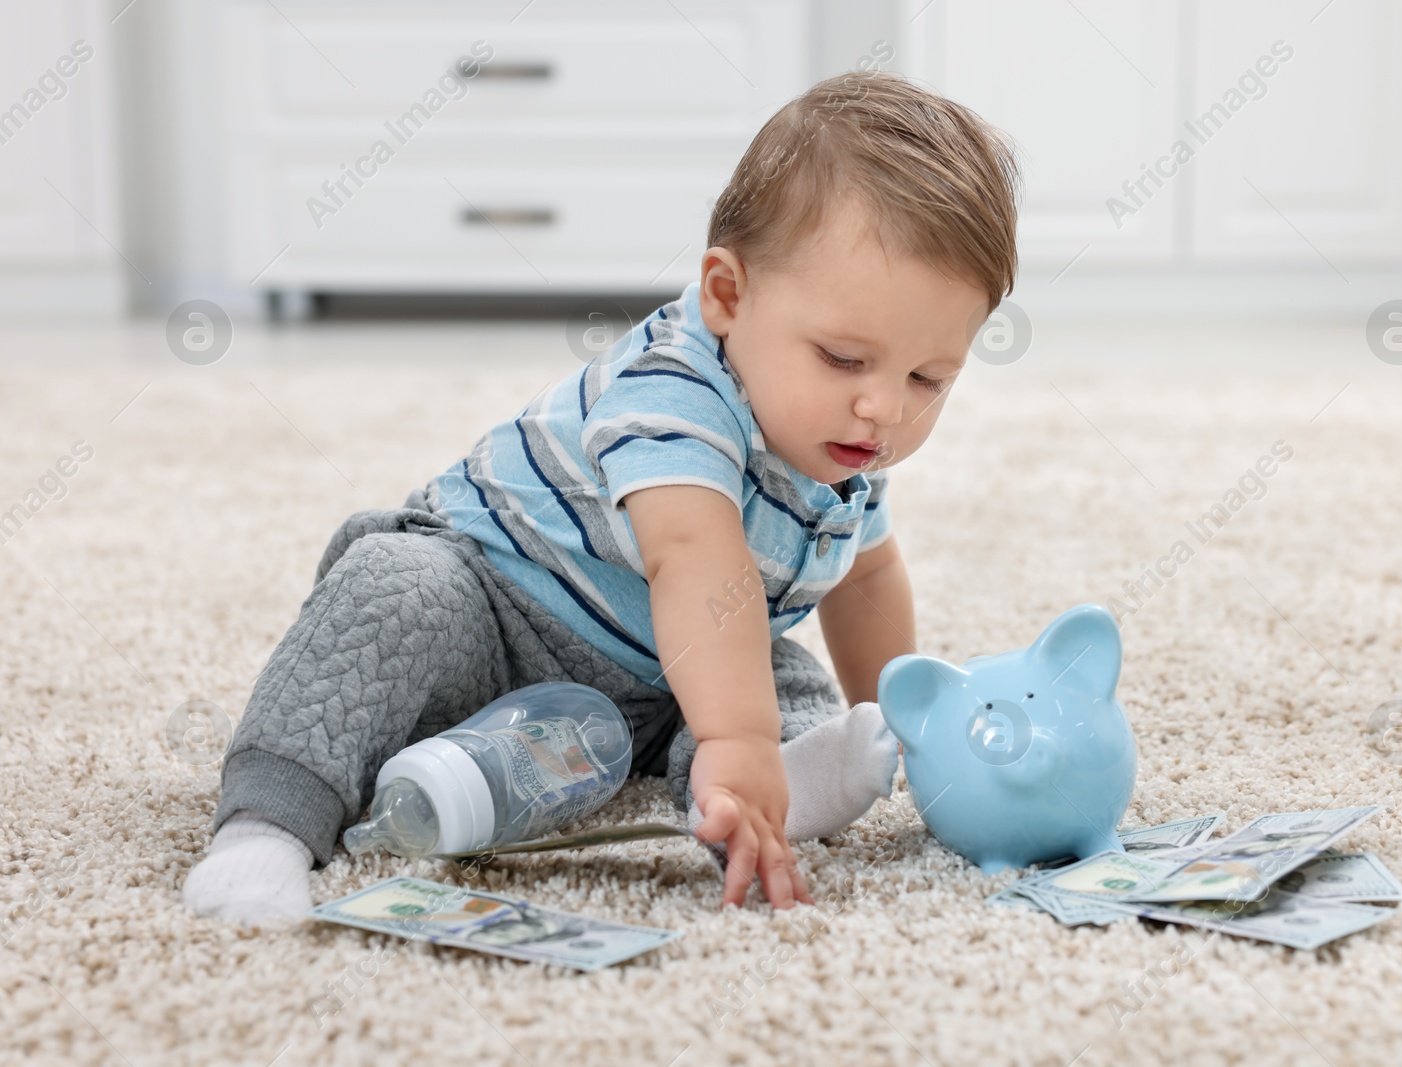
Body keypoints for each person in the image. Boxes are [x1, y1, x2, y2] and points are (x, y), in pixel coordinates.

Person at [183, 68, 1020, 920]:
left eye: (928, 377)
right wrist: (737, 735)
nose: (882, 407)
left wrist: (905, 713)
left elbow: (868, 578)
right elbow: (693, 555)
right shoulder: (674, 392)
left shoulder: (844, 444)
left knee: (780, 679)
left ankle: (779, 783)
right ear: (728, 296)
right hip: (495, 615)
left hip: (660, 671)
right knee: (393, 593)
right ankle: (266, 825)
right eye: (844, 358)